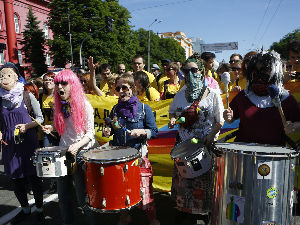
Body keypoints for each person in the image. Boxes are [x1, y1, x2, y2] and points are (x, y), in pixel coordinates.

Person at [168, 60, 224, 224]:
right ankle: (183, 210)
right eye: (186, 71)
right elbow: (172, 112)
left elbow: (219, 121)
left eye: (194, 70)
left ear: (201, 71)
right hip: (184, 146)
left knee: (203, 183)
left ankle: (205, 212)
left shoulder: (213, 94)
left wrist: (211, 136)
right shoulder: (179, 95)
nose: (190, 74)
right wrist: (172, 120)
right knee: (183, 182)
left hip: (204, 146)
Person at [43, 69, 98, 225]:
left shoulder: (85, 106)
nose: (60, 87)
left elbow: (90, 134)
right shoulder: (60, 106)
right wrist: (51, 128)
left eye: (64, 83)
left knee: (82, 197)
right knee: (63, 196)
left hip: (80, 154)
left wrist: (77, 146)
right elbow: (61, 127)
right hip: (62, 153)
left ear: (72, 85)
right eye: (57, 83)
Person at [103, 73, 160, 225]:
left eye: (125, 87)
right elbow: (112, 128)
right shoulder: (115, 109)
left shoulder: (144, 108)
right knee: (121, 191)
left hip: (139, 158)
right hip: (120, 158)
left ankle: (152, 218)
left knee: (145, 191)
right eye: (118, 88)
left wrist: (142, 132)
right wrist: (108, 131)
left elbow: (154, 131)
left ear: (133, 89)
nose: (121, 91)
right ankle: (124, 216)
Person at [223, 50, 300, 146]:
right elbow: (230, 119)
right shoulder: (243, 96)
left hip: (274, 156)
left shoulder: (286, 99)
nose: (259, 75)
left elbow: (298, 123)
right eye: (255, 71)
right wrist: (228, 117)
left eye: (265, 70)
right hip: (244, 154)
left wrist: (294, 127)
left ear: (274, 72)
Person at [0, 62, 45, 224]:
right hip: (9, 144)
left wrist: (27, 126)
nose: (4, 78)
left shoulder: (27, 95)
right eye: (1, 76)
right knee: (16, 180)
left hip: (28, 142)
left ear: (16, 77)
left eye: (8, 75)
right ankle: (25, 210)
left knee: (33, 178)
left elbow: (40, 118)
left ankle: (39, 209)